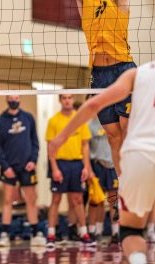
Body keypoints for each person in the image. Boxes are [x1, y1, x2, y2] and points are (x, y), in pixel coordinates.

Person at [49, 17, 155, 264]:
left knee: (130, 231)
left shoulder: (138, 74)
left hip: (138, 159)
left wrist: (60, 137)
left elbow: (94, 104)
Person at [24, 0, 135, 174]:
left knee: (128, 134)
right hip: (99, 73)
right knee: (112, 137)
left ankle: (134, 183)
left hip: (123, 70)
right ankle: (123, 186)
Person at [0, 95, 46, 247]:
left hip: (27, 167)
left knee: (31, 199)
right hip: (9, 167)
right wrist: (5, 166)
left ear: (20, 98)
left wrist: (33, 161)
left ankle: (35, 233)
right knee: (7, 200)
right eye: (11, 98)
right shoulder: (1, 120)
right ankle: (4, 234)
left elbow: (35, 142)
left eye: (16, 97)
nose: (14, 100)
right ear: (7, 100)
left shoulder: (28, 117)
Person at [45, 94, 93, 248]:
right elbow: (50, 146)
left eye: (70, 97)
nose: (67, 100)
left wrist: (86, 166)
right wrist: (54, 168)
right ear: (60, 100)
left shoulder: (80, 119)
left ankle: (83, 233)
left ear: (73, 100)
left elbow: (85, 145)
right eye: (64, 98)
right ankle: (51, 235)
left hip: (77, 164)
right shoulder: (54, 120)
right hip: (60, 163)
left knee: (78, 199)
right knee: (56, 200)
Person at [86, 96, 120, 245]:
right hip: (97, 165)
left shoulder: (114, 123)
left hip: (113, 166)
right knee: (96, 200)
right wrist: (88, 168)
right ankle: (94, 231)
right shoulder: (90, 125)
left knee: (113, 200)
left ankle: (116, 232)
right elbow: (85, 148)